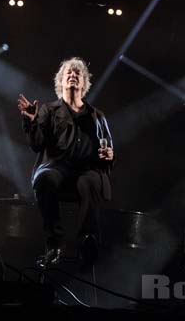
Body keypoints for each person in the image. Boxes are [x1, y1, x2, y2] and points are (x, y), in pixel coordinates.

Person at [18, 57, 114, 268]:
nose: (72, 75)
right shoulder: (49, 110)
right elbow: (36, 144)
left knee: (88, 182)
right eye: (68, 73)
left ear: (84, 83)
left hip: (87, 171)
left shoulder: (97, 116)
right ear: (61, 82)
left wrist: (109, 155)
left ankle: (87, 241)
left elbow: (108, 151)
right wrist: (32, 122)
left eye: (77, 73)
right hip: (57, 167)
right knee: (45, 178)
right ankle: (55, 244)